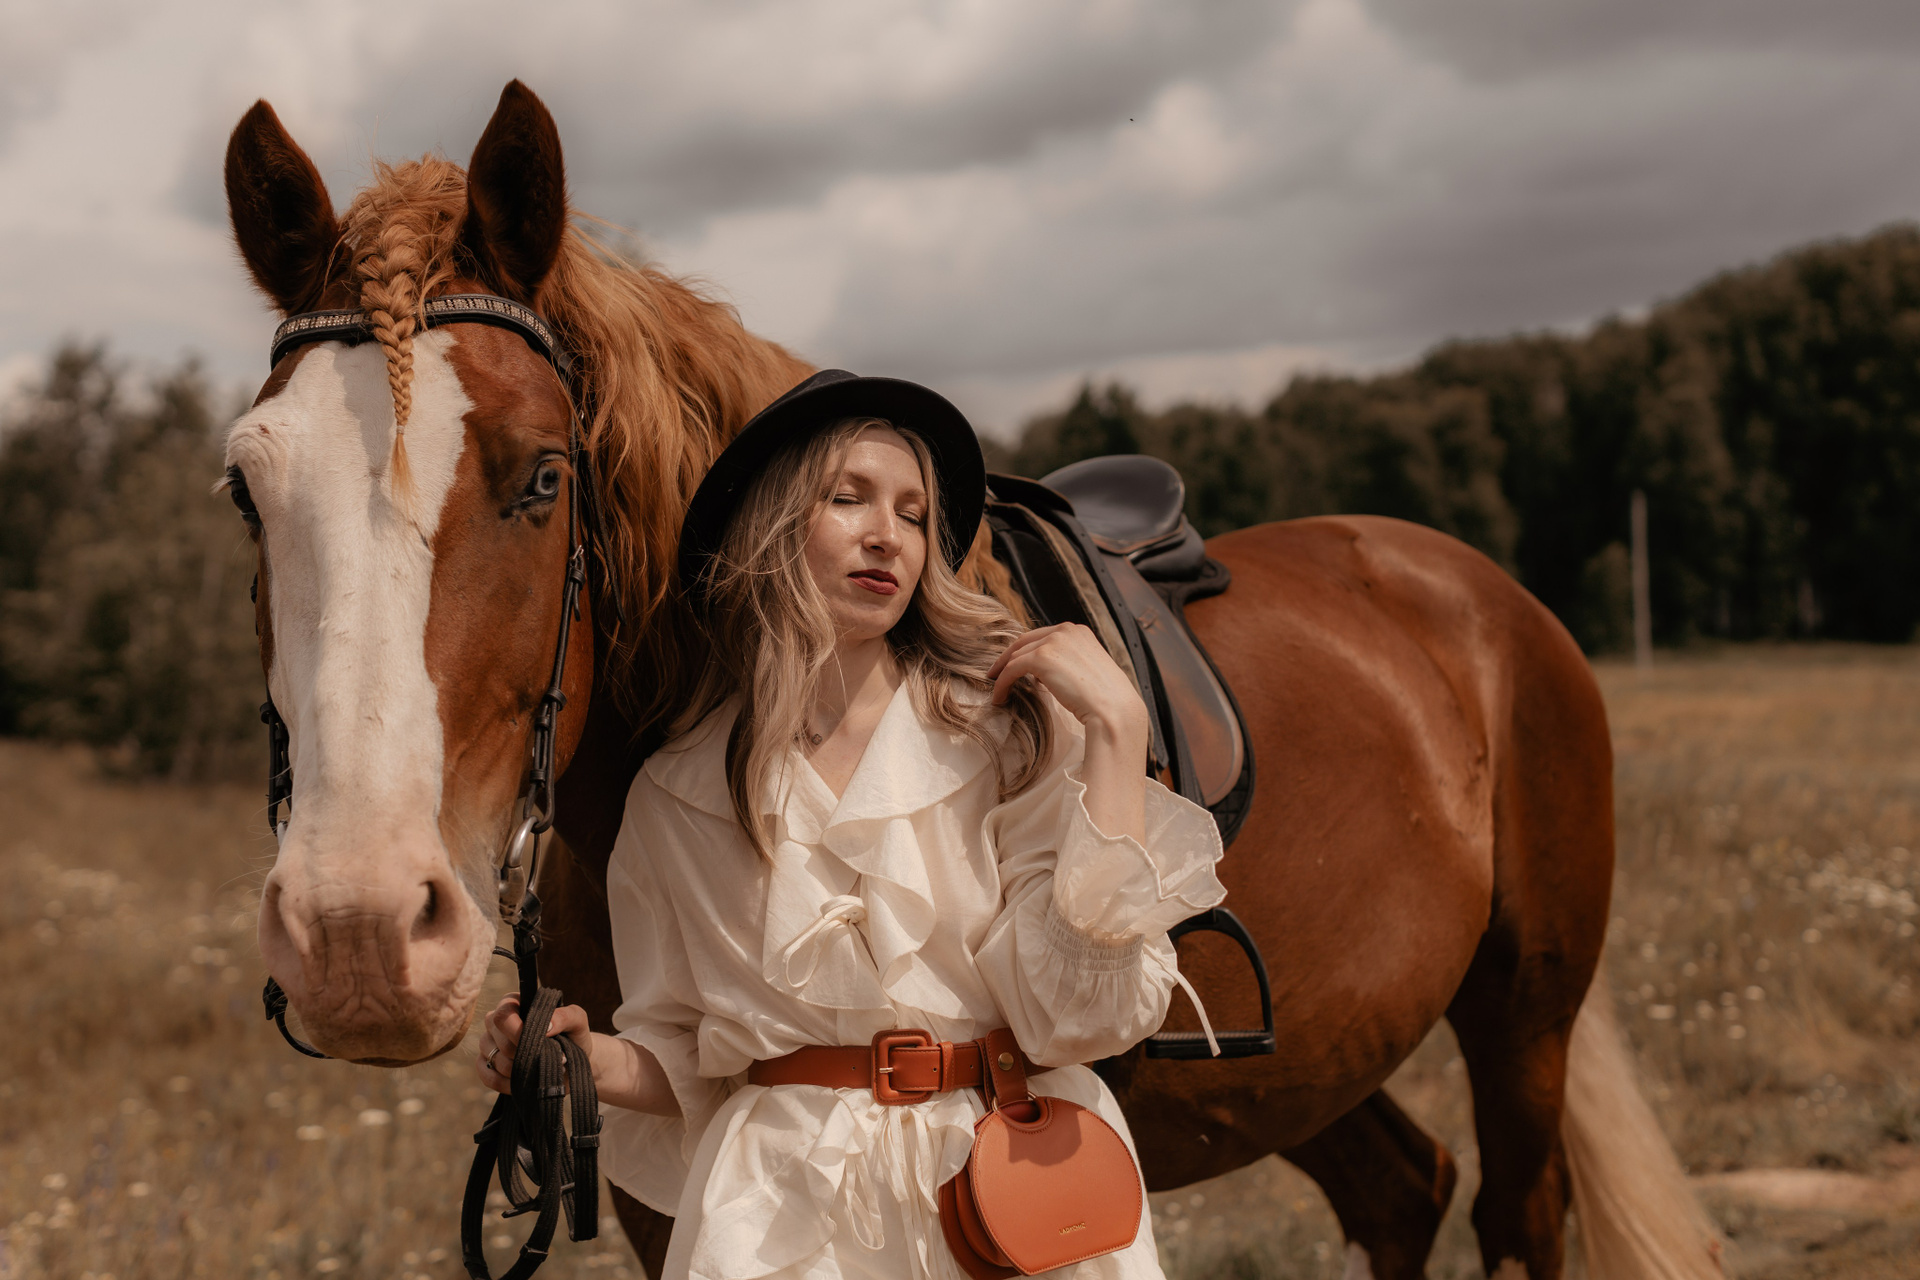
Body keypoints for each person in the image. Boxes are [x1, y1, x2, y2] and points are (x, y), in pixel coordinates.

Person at [475, 370, 1227, 1280]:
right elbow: (689, 1052)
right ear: (770, 526)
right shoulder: (677, 792)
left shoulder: (1007, 737)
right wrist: (582, 1061)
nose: (888, 535)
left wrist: (1115, 729)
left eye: (914, 514)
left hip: (1008, 1186)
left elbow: (1081, 1018)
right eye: (848, 498)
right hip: (784, 1214)